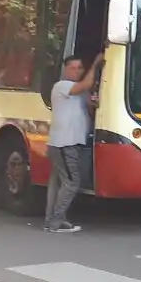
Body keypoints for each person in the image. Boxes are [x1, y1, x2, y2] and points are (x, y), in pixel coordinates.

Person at [46, 52, 102, 234]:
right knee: (71, 182)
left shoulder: (80, 92)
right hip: (64, 144)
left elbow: (90, 112)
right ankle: (55, 222)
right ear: (65, 69)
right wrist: (96, 64)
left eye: (80, 68)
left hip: (71, 143)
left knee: (59, 183)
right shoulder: (61, 86)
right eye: (73, 68)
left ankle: (51, 220)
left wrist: (94, 104)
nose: (77, 71)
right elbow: (85, 84)